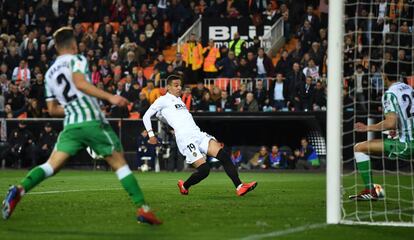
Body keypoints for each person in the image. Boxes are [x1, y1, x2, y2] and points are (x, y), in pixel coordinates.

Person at [1, 27, 161, 224]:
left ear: (57, 47)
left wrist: (73, 109)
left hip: (71, 126)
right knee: (119, 163)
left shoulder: (50, 73)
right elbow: (80, 83)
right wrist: (111, 97)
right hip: (92, 121)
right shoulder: (77, 59)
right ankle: (142, 208)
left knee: (51, 166)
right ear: (74, 45)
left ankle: (19, 189)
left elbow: (52, 109)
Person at [143, 74, 257, 196]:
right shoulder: (162, 100)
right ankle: (184, 185)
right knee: (204, 170)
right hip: (186, 139)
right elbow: (146, 116)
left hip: (198, 134)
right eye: (176, 85)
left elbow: (173, 117)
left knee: (224, 155)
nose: (179, 88)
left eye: (180, 85)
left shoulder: (179, 100)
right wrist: (151, 135)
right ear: (168, 87)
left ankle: (239, 186)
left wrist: (166, 120)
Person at [351, 68, 413, 201]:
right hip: (409, 137)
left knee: (359, 148)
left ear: (385, 76)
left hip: (407, 144)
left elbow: (390, 123)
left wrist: (367, 127)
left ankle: (371, 190)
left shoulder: (390, 94)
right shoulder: (410, 89)